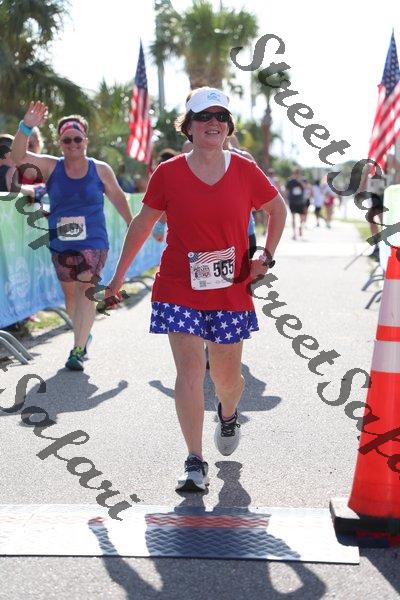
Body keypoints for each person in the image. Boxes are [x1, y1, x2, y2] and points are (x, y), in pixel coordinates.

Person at [105, 87, 287, 492]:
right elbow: (143, 223)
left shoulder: (245, 170)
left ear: (228, 127)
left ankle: (228, 413)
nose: (213, 123)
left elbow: (277, 209)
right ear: (188, 126)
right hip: (178, 286)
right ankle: (194, 460)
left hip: (230, 290)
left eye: (221, 117)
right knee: (188, 371)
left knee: (226, 378)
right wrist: (118, 278)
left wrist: (266, 257)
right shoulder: (168, 173)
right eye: (204, 117)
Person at [11, 101, 133, 371]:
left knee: (85, 287)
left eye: (78, 139)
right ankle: (83, 333)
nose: (73, 144)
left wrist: (132, 225)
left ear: (85, 140)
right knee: (70, 295)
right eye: (67, 140)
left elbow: (118, 197)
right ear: (60, 143)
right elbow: (18, 157)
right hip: (61, 241)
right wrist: (26, 127)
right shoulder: (51, 167)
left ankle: (77, 349)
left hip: (93, 241)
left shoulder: (100, 169)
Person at [285, 168, 306, 240]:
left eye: (298, 173)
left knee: (302, 217)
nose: (297, 174)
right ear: (293, 173)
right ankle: (294, 233)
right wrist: (286, 199)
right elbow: (287, 191)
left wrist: (299, 181)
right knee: (293, 217)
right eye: (295, 173)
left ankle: (300, 228)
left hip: (301, 201)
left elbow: (305, 187)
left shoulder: (302, 180)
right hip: (292, 201)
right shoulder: (290, 181)